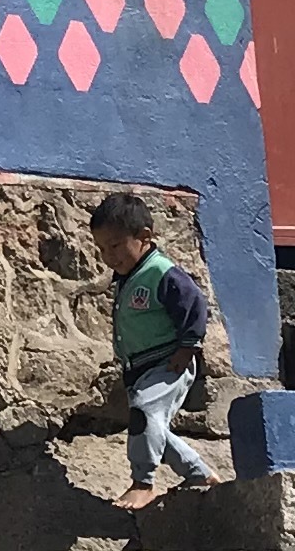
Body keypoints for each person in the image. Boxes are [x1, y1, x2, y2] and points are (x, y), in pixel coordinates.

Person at [90, 191, 218, 504]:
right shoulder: (128, 275)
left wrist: (187, 348)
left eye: (116, 246)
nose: (109, 256)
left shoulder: (161, 272)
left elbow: (194, 305)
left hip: (168, 362)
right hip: (141, 368)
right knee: (154, 425)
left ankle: (143, 483)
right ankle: (198, 472)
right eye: (102, 249)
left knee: (144, 414)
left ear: (144, 237)